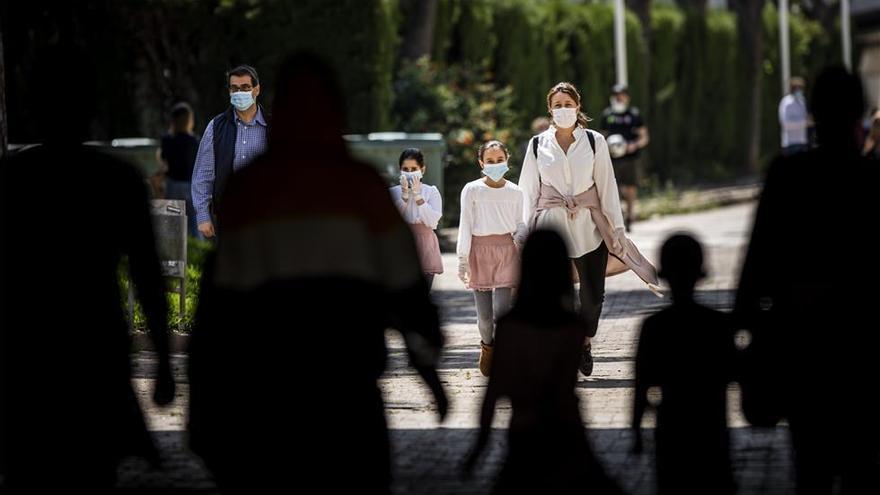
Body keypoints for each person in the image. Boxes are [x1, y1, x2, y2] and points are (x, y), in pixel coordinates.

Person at [187, 53, 447, 494]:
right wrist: (428, 368)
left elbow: (219, 302)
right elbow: (405, 285)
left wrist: (202, 403)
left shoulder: (251, 188)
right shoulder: (360, 184)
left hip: (268, 386)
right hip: (348, 385)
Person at [0, 45, 175, 491]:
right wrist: (164, 364)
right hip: (96, 351)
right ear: (92, 105)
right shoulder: (116, 180)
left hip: (27, 356)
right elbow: (148, 277)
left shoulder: (12, 181)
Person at [736, 66, 880, 494]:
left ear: (813, 112)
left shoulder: (787, 175)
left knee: (810, 465)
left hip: (803, 346)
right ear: (860, 115)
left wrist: (744, 325)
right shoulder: (873, 179)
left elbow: (758, 258)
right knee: (864, 461)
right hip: (865, 349)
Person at [463, 230, 623, 495]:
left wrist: (479, 446)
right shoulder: (574, 327)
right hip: (567, 429)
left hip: (525, 430)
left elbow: (494, 393)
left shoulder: (510, 327)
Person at [520, 81, 659, 377]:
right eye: (557, 105)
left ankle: (584, 340)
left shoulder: (595, 141)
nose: (563, 110)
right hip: (551, 230)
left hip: (590, 228)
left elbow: (607, 188)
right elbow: (527, 192)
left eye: (568, 104)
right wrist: (521, 233)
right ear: (550, 109)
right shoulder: (537, 145)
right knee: (560, 297)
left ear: (578, 107)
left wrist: (617, 230)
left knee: (594, 297)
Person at [632, 234, 737, 495]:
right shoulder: (718, 325)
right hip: (711, 428)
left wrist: (635, 431)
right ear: (700, 272)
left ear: (665, 275)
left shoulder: (654, 327)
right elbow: (736, 373)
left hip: (671, 431)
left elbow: (641, 385)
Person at [457, 140, 526, 377]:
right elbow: (465, 223)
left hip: (506, 251)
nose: (495, 165)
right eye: (490, 161)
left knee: (501, 311)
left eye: (499, 160)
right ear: (481, 163)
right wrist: (462, 258)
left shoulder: (516, 191)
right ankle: (488, 347)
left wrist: (524, 239)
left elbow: (519, 224)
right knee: (485, 317)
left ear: (507, 160)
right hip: (479, 251)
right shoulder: (472, 189)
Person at [192, 64, 269, 239]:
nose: (239, 92)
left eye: (245, 88)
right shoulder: (216, 127)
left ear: (256, 90)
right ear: (229, 92)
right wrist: (203, 216)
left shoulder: (272, 128)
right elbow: (203, 174)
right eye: (234, 88)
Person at [389, 148, 443, 287]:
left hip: (425, 243)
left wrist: (418, 197)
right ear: (400, 170)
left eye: (414, 169)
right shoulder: (392, 193)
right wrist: (405, 198)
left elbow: (432, 221)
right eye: (405, 169)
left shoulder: (431, 191)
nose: (409, 172)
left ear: (422, 170)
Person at [599, 84, 649, 232]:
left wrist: (634, 145)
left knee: (630, 186)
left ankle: (630, 214)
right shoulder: (607, 114)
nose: (618, 97)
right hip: (612, 158)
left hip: (631, 157)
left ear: (627, 97)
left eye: (621, 94)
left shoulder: (634, 114)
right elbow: (601, 136)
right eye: (615, 95)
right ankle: (619, 214)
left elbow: (644, 137)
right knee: (615, 187)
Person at [160, 102, 202, 238]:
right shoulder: (194, 141)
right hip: (190, 185)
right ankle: (199, 253)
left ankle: (172, 254)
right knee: (195, 225)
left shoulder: (167, 140)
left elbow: (163, 160)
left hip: (173, 184)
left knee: (172, 224)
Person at [778, 76, 810, 156]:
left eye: (801, 88)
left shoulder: (802, 101)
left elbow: (807, 119)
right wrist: (803, 124)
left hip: (802, 143)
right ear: (792, 89)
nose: (799, 90)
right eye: (797, 88)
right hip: (790, 144)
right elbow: (785, 125)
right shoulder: (786, 102)